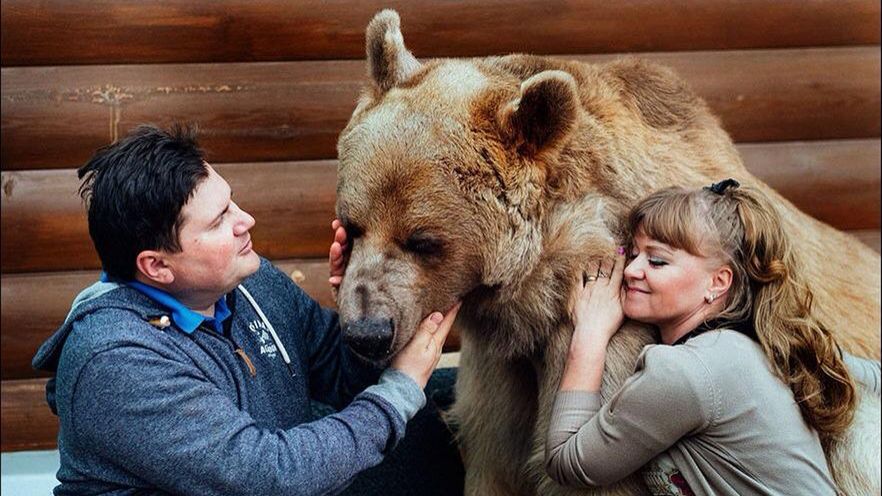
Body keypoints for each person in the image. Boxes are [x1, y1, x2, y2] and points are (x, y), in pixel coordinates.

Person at [32, 124, 464, 495]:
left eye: (232, 201)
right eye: (219, 220)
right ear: (157, 266)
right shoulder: (116, 362)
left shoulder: (250, 282)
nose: (246, 220)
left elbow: (339, 376)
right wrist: (400, 390)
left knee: (443, 409)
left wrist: (359, 308)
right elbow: (271, 477)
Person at [544, 179, 881, 495]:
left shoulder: (687, 372)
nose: (631, 270)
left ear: (718, 283)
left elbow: (568, 462)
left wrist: (590, 333)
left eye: (657, 261)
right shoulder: (766, 344)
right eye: (633, 254)